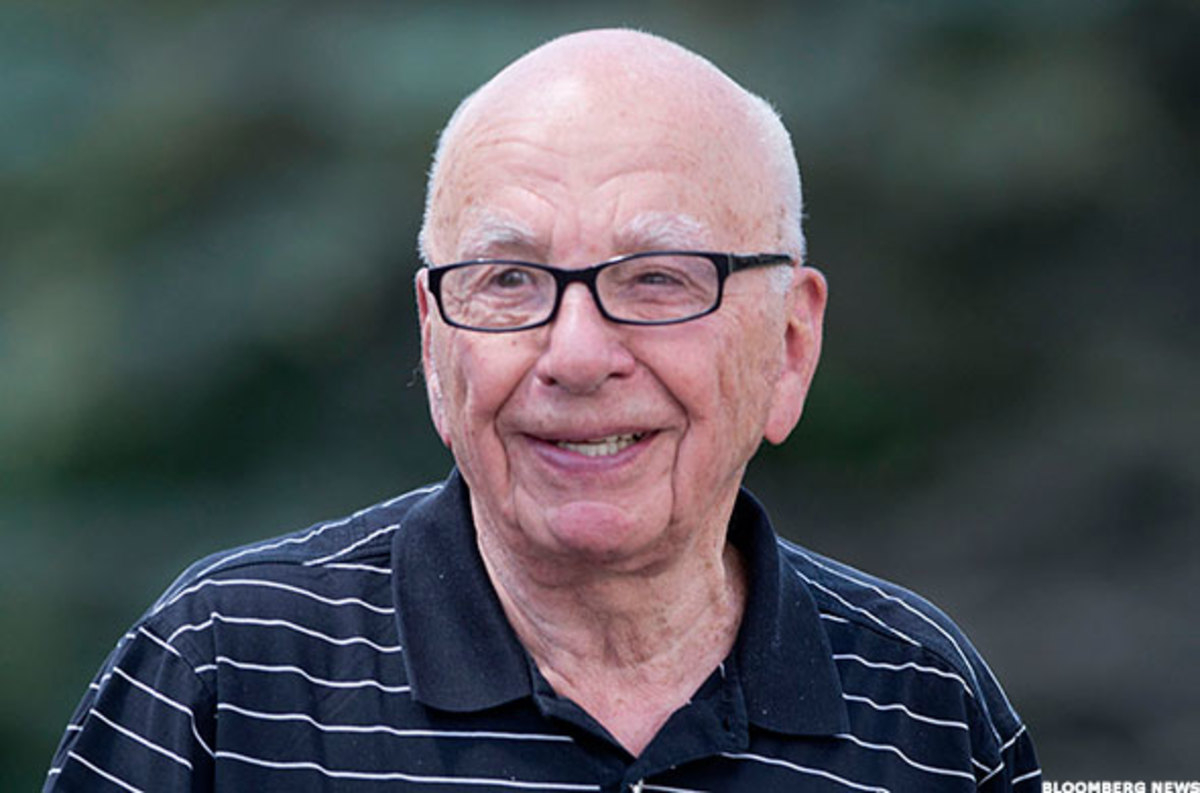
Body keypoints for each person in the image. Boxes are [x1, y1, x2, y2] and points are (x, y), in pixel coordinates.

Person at [45, 28, 1040, 792]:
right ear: (435, 343)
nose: (574, 356)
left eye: (658, 278)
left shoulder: (925, 708)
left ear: (789, 344)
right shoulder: (228, 673)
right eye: (509, 281)